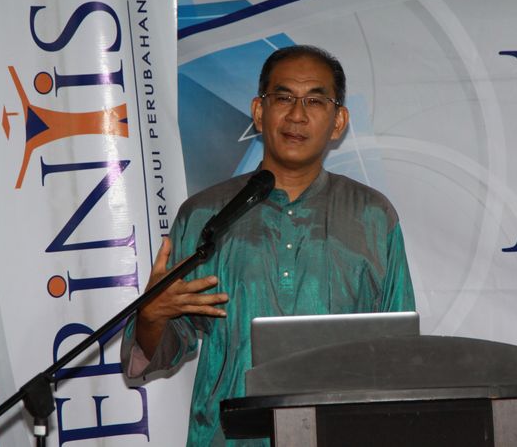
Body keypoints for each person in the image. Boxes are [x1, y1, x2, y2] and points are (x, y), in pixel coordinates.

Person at [121, 45, 415, 446]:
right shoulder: (206, 216)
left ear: (338, 121)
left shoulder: (373, 216)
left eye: (315, 100)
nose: (297, 115)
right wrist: (152, 317)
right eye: (284, 97)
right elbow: (163, 346)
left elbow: (401, 352)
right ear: (259, 112)